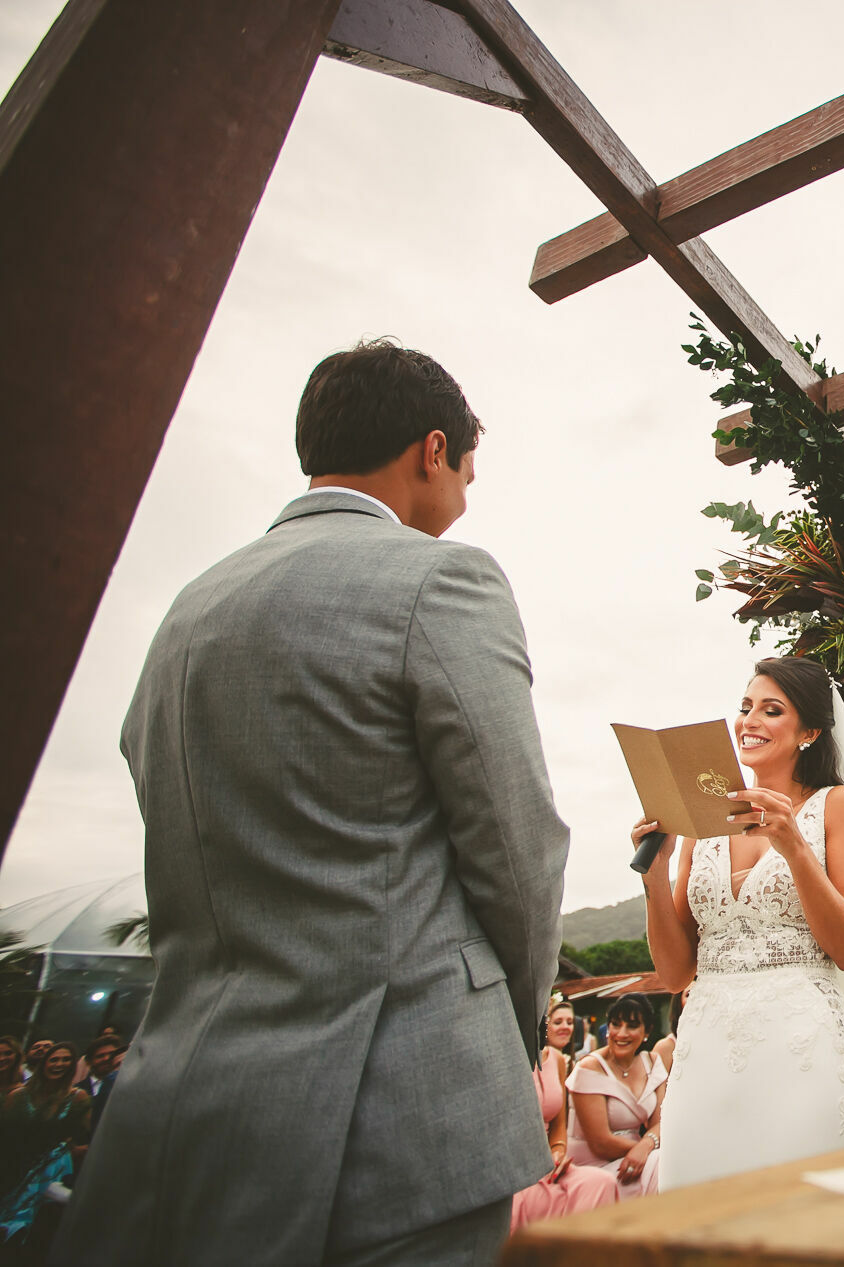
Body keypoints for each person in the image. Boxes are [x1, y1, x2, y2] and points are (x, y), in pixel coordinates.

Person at [55, 339, 570, 1265]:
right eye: (469, 468)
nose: (466, 494)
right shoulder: (441, 577)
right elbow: (517, 841)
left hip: (188, 1110)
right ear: (431, 449)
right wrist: (515, 1018)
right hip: (400, 1115)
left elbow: (153, 782)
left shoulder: (187, 609)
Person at [640, 657, 844, 1189]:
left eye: (771, 710)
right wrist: (655, 879)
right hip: (704, 1051)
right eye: (745, 707)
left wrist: (794, 845)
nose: (750, 720)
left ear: (810, 732)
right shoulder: (702, 822)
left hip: (798, 1047)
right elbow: (677, 973)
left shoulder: (837, 807)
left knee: (797, 1210)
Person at [511, 994, 618, 1232]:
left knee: (601, 1182)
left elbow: (559, 1124)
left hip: (549, 1165)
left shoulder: (557, 1059)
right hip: (514, 1171)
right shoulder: (505, 1059)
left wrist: (558, 1152)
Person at [566, 994, 666, 1196]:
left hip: (638, 1157)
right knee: (662, 1163)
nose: (621, 1033)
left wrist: (646, 1146)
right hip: (592, 1166)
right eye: (615, 1024)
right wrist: (643, 1150)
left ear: (647, 1032)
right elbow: (600, 1143)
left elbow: (662, 1122)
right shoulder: (590, 1067)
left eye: (632, 1026)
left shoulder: (653, 1062)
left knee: (668, 1162)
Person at [1, 1041, 90, 1247]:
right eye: (54, 1059)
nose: (60, 1064)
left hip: (51, 1175)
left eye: (66, 1059)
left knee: (36, 1234)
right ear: (44, 1064)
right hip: (13, 1170)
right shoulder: (18, 1095)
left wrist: (72, 1150)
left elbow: (86, 1137)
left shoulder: (78, 1097)